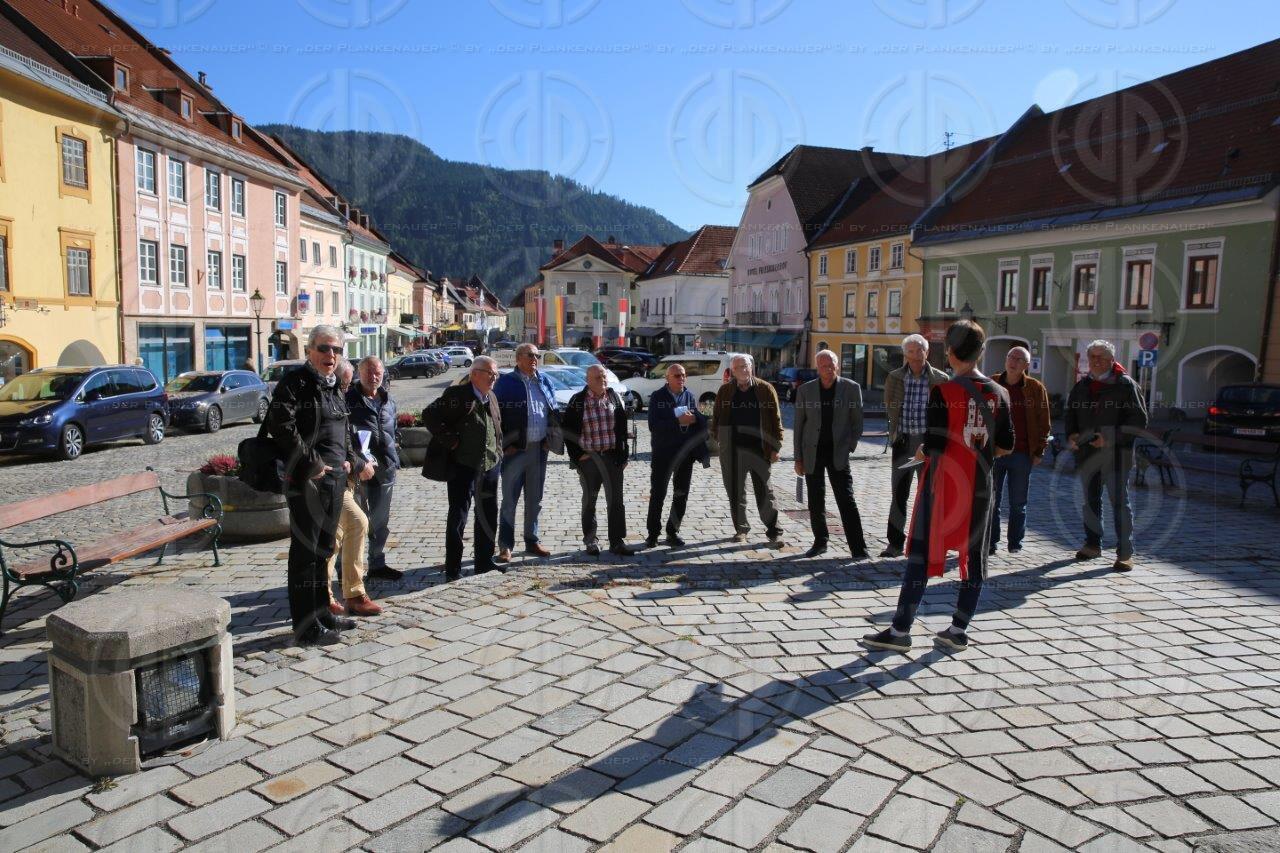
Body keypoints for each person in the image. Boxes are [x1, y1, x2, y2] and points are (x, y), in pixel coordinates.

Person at [863, 320, 1013, 653]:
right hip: (980, 488)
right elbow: (1006, 444)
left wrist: (920, 451)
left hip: (944, 489)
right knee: (974, 560)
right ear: (980, 352)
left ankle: (901, 630)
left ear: (951, 352)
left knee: (919, 556)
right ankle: (958, 629)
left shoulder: (943, 391)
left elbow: (932, 445)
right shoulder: (999, 392)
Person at [266, 325, 374, 646]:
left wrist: (351, 461)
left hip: (335, 481)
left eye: (336, 350)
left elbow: (344, 432)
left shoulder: (334, 386)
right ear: (310, 351)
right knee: (305, 553)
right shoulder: (295, 383)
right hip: (307, 481)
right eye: (324, 349)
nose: (331, 356)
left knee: (324, 550)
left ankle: (323, 614)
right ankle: (305, 626)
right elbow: (281, 425)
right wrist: (312, 462)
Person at [1065, 340, 1149, 572]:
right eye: (1092, 357)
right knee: (1091, 502)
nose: (1096, 361)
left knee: (1119, 503)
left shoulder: (1125, 385)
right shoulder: (1082, 385)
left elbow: (1139, 422)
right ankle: (1092, 544)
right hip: (1087, 454)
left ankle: (1124, 553)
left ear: (1112, 360)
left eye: (1101, 357)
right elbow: (1070, 412)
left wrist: (1110, 438)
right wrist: (1071, 434)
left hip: (1117, 456)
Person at [422, 357, 504, 580]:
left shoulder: (492, 396)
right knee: (458, 517)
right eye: (490, 373)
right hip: (463, 467)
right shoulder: (457, 395)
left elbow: (496, 428)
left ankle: (484, 562)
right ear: (475, 374)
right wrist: (450, 440)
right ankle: (453, 568)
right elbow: (429, 415)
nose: (494, 377)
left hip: (490, 466)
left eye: (496, 374)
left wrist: (499, 453)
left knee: (488, 514)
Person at [793, 349, 868, 560]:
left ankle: (858, 546)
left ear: (838, 365)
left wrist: (849, 446)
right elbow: (799, 425)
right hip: (812, 452)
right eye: (824, 365)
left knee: (846, 499)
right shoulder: (806, 390)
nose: (828, 369)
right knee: (815, 501)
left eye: (832, 365)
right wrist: (798, 457)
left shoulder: (851, 388)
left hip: (838, 453)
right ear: (817, 367)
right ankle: (820, 542)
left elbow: (857, 422)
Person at [881, 334, 949, 557]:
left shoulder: (940, 379)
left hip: (929, 444)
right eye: (910, 351)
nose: (915, 355)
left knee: (930, 494)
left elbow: (946, 412)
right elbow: (890, 405)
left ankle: (927, 542)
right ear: (905, 354)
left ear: (927, 352)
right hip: (903, 442)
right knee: (899, 493)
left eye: (919, 350)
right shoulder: (895, 377)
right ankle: (895, 543)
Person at [323, 360, 381, 617]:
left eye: (348, 384)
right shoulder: (324, 400)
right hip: (325, 479)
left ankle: (349, 594)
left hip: (343, 477)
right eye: (344, 383)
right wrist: (356, 463)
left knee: (344, 530)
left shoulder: (339, 399)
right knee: (345, 530)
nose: (347, 389)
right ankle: (341, 595)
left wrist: (358, 460)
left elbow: (347, 441)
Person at [494, 343, 560, 563]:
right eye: (531, 355)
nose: (535, 359)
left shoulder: (544, 381)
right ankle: (505, 546)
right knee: (510, 501)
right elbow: (494, 416)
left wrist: (550, 440)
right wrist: (504, 446)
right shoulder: (505, 383)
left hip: (538, 450)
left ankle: (532, 540)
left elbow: (554, 411)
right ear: (518, 358)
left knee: (535, 499)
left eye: (537, 355)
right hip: (514, 451)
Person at [711, 354, 784, 546]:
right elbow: (716, 417)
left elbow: (776, 420)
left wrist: (776, 447)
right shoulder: (725, 391)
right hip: (732, 450)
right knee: (736, 492)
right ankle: (741, 530)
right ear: (732, 371)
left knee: (766, 493)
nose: (742, 370)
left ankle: (773, 530)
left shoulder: (765, 389)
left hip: (759, 449)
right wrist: (719, 440)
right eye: (738, 367)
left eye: (745, 366)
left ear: (751, 367)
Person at [563, 364, 635, 556]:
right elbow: (567, 431)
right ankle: (591, 541)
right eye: (597, 378)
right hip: (590, 459)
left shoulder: (614, 397)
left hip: (612, 457)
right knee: (590, 501)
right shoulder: (577, 401)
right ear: (587, 380)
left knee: (616, 501)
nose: (602, 380)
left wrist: (624, 454)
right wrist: (578, 456)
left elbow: (621, 429)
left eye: (604, 377)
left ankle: (617, 541)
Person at [990, 347, 1051, 555]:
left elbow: (1044, 422)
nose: (1013, 362)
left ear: (1027, 365)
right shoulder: (993, 382)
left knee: (1018, 502)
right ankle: (991, 542)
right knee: (992, 500)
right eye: (1010, 357)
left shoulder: (1035, 388)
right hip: (995, 452)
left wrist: (1039, 451)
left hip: (1022, 454)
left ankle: (1015, 542)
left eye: (1019, 359)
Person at [348, 356, 402, 581]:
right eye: (369, 372)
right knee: (356, 521)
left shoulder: (389, 401)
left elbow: (394, 429)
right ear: (359, 374)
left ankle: (377, 563)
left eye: (377, 372)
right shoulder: (348, 400)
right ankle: (350, 570)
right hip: (358, 470)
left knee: (380, 521)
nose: (374, 376)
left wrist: (396, 447)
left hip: (385, 469)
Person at [646, 362, 709, 548]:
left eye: (683, 375)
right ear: (667, 378)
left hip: (684, 455)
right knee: (658, 494)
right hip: (663, 453)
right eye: (676, 376)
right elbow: (653, 426)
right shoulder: (658, 397)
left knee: (681, 494)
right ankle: (652, 534)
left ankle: (672, 532)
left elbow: (698, 418)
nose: (681, 378)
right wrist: (677, 421)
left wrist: (696, 418)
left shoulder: (689, 395)